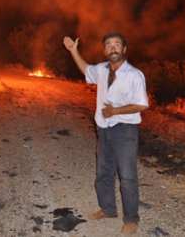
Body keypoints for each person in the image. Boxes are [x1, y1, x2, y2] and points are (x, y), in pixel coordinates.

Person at [63, 32, 149, 236]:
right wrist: (74, 51)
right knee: (103, 173)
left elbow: (142, 104)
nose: (113, 48)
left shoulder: (134, 75)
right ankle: (108, 209)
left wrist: (116, 111)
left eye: (117, 45)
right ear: (104, 50)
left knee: (127, 177)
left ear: (124, 49)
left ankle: (131, 220)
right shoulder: (101, 70)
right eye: (109, 45)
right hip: (104, 129)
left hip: (125, 131)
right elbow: (86, 69)